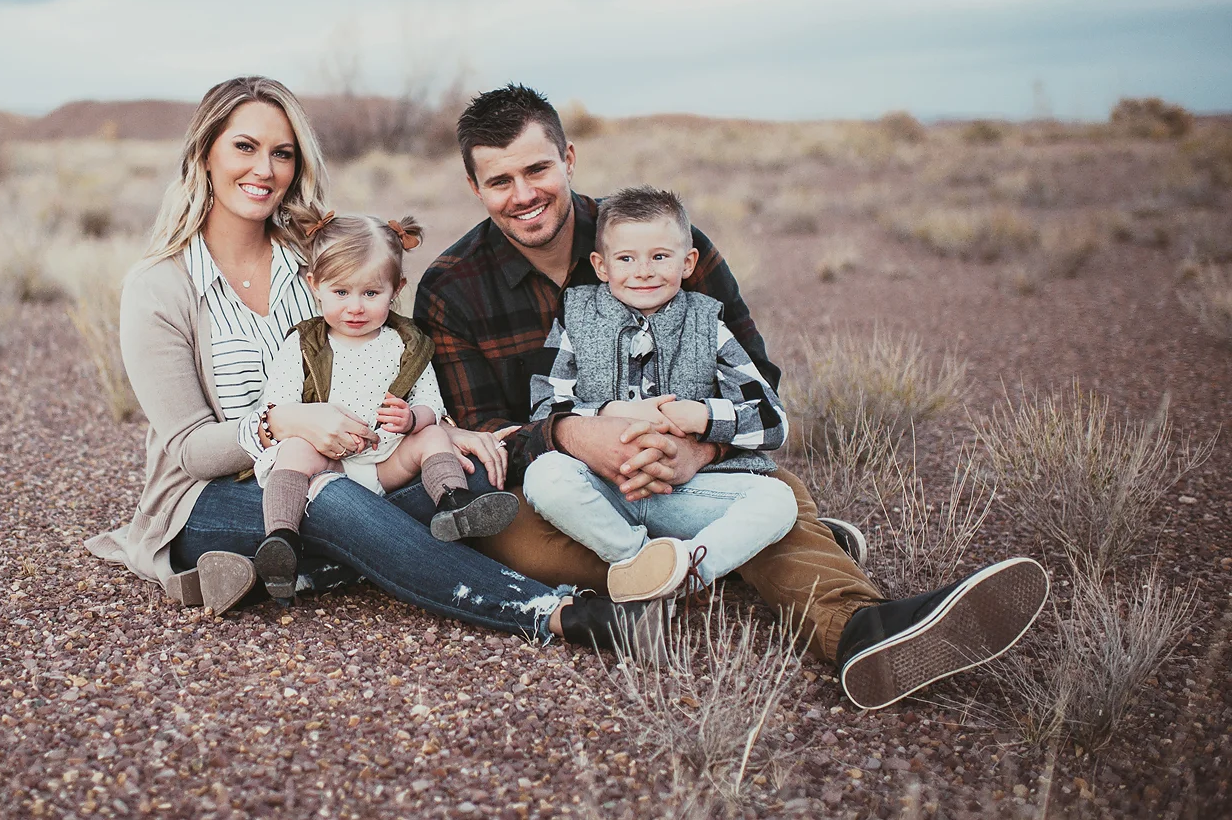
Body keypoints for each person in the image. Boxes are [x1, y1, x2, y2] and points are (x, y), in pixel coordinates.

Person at [414, 83, 1049, 709]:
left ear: (568, 159)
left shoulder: (662, 241)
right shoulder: (451, 287)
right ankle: (746, 555)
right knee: (513, 538)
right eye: (500, 181)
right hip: (566, 488)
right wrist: (576, 436)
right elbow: (483, 434)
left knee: (777, 492)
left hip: (687, 469)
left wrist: (700, 451)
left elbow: (756, 379)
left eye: (537, 170)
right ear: (474, 187)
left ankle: (859, 631)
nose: (524, 195)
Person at [85, 75, 656, 652]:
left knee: (468, 476)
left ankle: (300, 573)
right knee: (331, 499)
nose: (264, 169)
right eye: (245, 147)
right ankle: (554, 612)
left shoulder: (315, 261)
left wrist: (439, 427)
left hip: (356, 464)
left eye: (282, 153)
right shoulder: (159, 288)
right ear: (205, 152)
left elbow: (383, 357)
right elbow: (190, 450)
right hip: (211, 499)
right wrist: (283, 423)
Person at [524, 186, 797, 602]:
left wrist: (703, 417)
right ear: (601, 266)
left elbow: (772, 420)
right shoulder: (576, 318)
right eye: (626, 259)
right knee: (543, 478)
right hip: (602, 491)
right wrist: (608, 411)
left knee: (778, 500)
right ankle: (637, 559)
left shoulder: (707, 324)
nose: (643, 272)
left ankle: (687, 573)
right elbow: (545, 408)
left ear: (687, 263)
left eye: (659, 257)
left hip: (686, 492)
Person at [238, 207, 518, 599]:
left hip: (387, 463)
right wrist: (313, 427)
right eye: (341, 292)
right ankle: (282, 537)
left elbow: (432, 403)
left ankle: (455, 503)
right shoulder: (302, 344)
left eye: (371, 293)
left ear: (396, 289)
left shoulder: (406, 343)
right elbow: (281, 406)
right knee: (294, 450)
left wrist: (412, 419)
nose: (355, 307)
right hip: (329, 466)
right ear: (314, 284)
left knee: (433, 435)